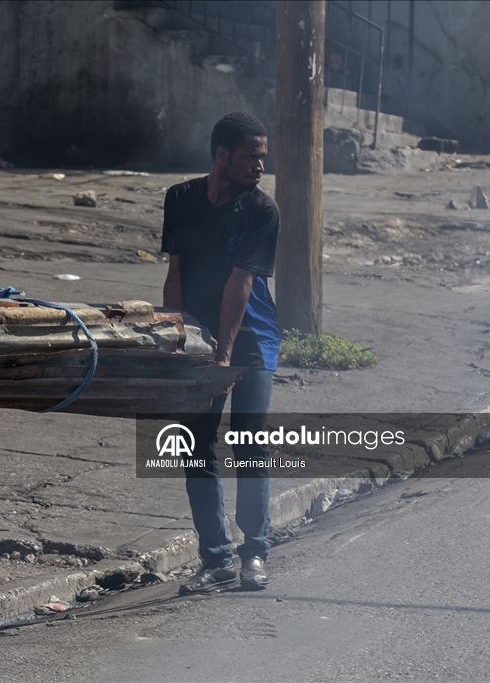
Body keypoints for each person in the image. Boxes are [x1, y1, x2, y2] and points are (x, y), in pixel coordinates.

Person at [160, 112, 280, 594]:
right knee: (196, 447)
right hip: (200, 337)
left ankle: (255, 553)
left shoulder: (261, 210)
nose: (259, 165)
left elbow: (241, 284)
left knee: (249, 447)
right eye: (251, 156)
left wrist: (225, 359)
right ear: (221, 155)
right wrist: (172, 340)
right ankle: (216, 560)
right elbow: (175, 274)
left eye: (263, 157)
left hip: (250, 342)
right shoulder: (181, 199)